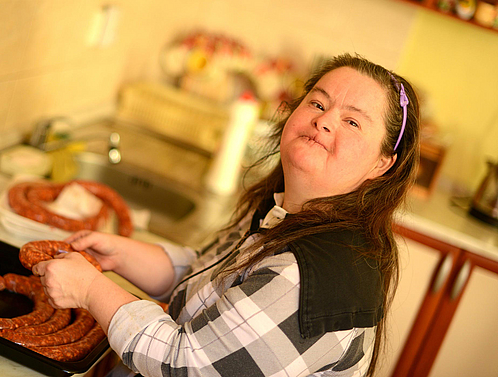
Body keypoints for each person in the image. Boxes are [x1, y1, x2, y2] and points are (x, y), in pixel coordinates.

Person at [33, 53, 421, 377]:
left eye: (352, 122)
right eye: (318, 104)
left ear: (382, 164)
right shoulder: (282, 209)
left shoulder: (313, 277)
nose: (325, 120)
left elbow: (185, 364)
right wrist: (123, 255)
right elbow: (215, 282)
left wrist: (90, 290)